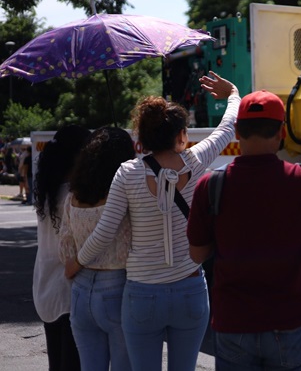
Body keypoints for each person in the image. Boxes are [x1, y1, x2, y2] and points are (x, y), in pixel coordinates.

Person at [65, 71, 239, 371]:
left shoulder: (127, 173)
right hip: (190, 289)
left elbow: (106, 231)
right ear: (180, 135)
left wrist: (77, 262)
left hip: (142, 293)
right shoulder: (196, 161)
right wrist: (233, 93)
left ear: (141, 137)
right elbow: (227, 127)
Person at [187, 90, 301, 371]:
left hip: (234, 322)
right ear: (281, 132)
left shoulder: (211, 185)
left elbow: (197, 254)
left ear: (238, 132)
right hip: (291, 320)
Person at [59, 127, 136, 371]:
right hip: (119, 288)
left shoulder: (73, 196)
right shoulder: (123, 195)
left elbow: (65, 247)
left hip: (81, 291)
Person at [33, 125, 91, 371]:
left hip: (45, 287)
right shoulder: (75, 194)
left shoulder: (47, 190)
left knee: (57, 364)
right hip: (69, 291)